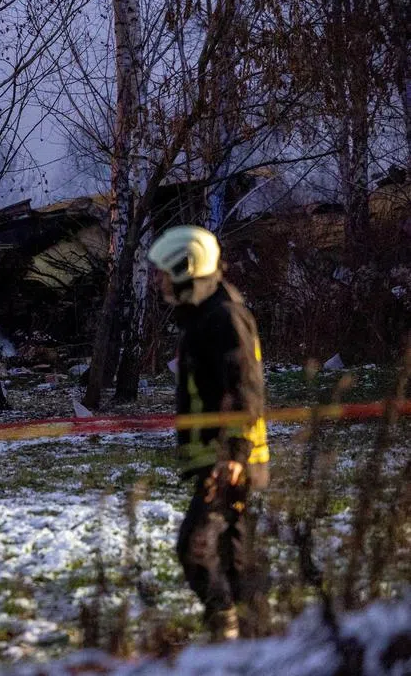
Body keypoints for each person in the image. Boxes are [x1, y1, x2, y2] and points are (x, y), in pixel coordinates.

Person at [146, 225, 270, 642]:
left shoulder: (223, 317)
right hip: (221, 460)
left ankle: (229, 634)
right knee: (230, 557)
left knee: (196, 551)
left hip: (230, 462)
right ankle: (252, 642)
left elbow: (242, 389)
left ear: (186, 270)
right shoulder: (204, 315)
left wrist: (233, 455)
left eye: (164, 272)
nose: (158, 281)